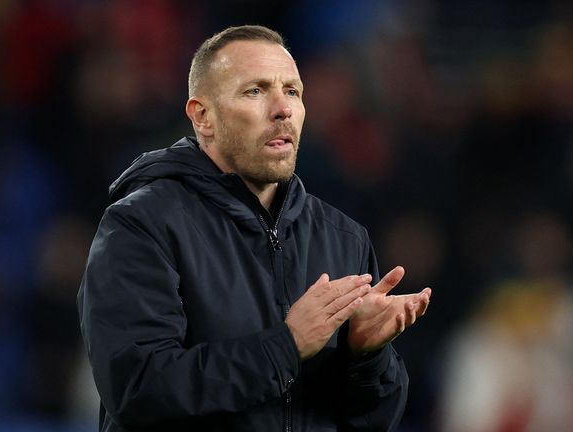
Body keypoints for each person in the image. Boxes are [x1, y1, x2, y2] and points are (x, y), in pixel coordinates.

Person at [77, 25, 432, 432]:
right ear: (203, 116)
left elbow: (371, 421)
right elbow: (138, 390)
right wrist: (286, 346)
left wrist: (366, 358)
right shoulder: (142, 226)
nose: (282, 109)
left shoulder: (343, 238)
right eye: (255, 91)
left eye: (293, 92)